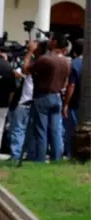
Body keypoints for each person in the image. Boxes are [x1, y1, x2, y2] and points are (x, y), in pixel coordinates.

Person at [23, 32, 70, 162]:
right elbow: (65, 82)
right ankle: (56, 159)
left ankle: (40, 159)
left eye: (50, 39)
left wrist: (29, 52)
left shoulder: (46, 59)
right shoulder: (66, 61)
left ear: (54, 42)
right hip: (57, 96)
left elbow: (25, 69)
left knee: (41, 130)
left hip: (43, 96)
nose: (47, 41)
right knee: (55, 131)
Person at [62, 38, 83, 158]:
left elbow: (71, 85)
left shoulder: (75, 63)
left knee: (72, 132)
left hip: (75, 103)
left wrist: (65, 104)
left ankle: (72, 155)